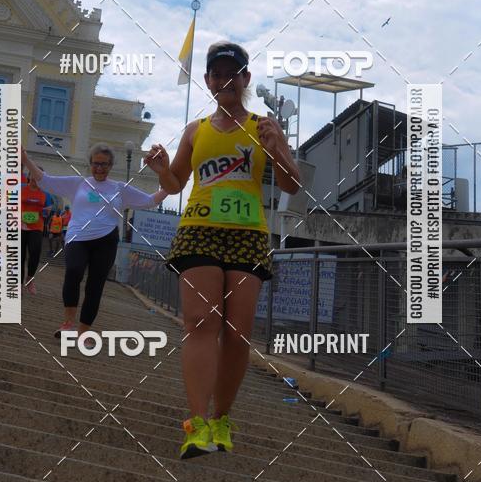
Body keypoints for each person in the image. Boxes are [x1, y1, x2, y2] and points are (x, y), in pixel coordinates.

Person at [145, 41, 300, 459]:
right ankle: (196, 424)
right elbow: (176, 182)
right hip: (200, 230)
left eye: (233, 73)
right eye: (217, 74)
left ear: (246, 79)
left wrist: (279, 147)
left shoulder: (263, 125)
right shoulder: (196, 130)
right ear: (209, 80)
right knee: (200, 323)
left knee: (237, 333)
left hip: (247, 234)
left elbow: (291, 185)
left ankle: (221, 419)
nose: (224, 80)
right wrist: (161, 169)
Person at [22, 143, 167, 336]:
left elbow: (151, 200)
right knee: (73, 271)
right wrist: (23, 158)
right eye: (96, 163)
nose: (100, 168)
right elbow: (45, 181)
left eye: (104, 164)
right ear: (90, 163)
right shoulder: (78, 183)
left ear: (110, 165)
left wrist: (170, 178)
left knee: (95, 285)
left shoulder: (119, 188)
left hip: (106, 241)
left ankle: (84, 332)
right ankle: (67, 324)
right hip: (78, 237)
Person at [21, 170, 52, 295]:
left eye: (37, 177)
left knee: (35, 252)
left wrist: (47, 211)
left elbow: (49, 208)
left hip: (36, 227)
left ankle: (30, 279)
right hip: (20, 226)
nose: (34, 179)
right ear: (28, 176)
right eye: (32, 176)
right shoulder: (20, 188)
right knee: (20, 256)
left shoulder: (46, 193)